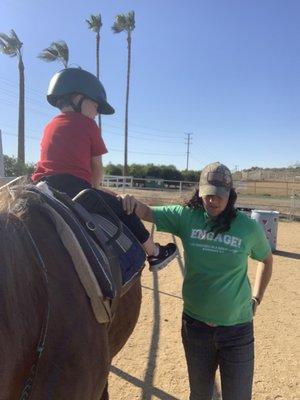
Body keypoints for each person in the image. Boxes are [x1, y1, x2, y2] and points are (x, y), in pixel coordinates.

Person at [121, 161, 273, 400]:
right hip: (196, 328)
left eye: (220, 196)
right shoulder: (187, 217)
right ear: (200, 192)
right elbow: (146, 211)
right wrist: (127, 200)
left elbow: (266, 259)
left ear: (230, 196)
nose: (213, 201)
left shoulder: (248, 227)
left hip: (237, 331)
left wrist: (257, 298)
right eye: (208, 195)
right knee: (200, 395)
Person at [31, 67, 177, 271]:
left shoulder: (49, 126)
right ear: (79, 98)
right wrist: (96, 189)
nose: (97, 111)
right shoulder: (88, 125)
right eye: (96, 105)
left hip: (40, 187)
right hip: (74, 189)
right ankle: (154, 252)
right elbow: (96, 168)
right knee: (123, 209)